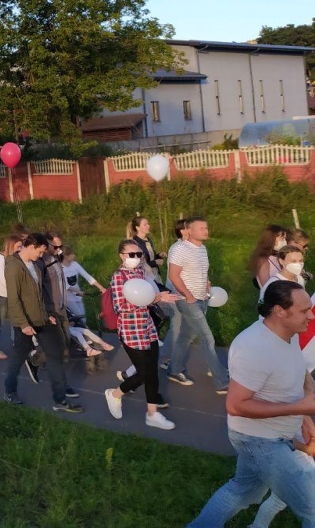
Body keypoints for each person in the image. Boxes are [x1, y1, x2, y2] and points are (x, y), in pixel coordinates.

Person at [187, 281, 315, 527]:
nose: (310, 315)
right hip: (261, 441)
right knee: (312, 508)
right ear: (279, 311)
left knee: (243, 491)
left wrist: (305, 416)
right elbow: (235, 405)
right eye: (304, 310)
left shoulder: (290, 333)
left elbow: (298, 372)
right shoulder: (254, 348)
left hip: (277, 434)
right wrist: (301, 408)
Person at [103, 239, 182, 430]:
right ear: (122, 256)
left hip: (147, 327)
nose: (136, 258)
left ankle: (152, 414)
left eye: (139, 254)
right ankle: (114, 394)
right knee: (144, 373)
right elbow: (120, 306)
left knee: (152, 371)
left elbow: (146, 296)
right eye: (132, 254)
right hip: (131, 331)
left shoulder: (140, 273)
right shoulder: (118, 277)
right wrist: (156, 298)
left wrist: (161, 296)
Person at [3, 233, 83, 413]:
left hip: (43, 319)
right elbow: (13, 300)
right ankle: (9, 391)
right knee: (18, 358)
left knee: (55, 355)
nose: (41, 256)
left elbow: (38, 295)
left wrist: (48, 313)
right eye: (40, 252)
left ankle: (60, 400)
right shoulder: (13, 266)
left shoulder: (37, 265)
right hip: (24, 323)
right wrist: (23, 324)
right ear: (31, 247)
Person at [165, 216, 230, 392]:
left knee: (186, 337)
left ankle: (174, 369)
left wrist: (207, 285)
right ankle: (221, 381)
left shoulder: (202, 249)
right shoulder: (180, 249)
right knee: (207, 338)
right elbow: (173, 275)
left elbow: (202, 270)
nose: (205, 230)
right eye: (201, 228)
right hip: (188, 301)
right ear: (189, 231)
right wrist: (188, 295)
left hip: (202, 298)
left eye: (206, 227)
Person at [0, 232, 27, 360]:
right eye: (18, 246)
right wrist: (17, 289)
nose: (21, 249)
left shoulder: (18, 258)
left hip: (14, 294)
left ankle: (18, 345)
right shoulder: (0, 258)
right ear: (11, 246)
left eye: (21, 246)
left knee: (17, 320)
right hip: (1, 295)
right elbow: (2, 279)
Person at [251, 224, 289, 293]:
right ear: (271, 239)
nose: (285, 242)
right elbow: (266, 286)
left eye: (285, 239)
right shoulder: (263, 260)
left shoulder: (279, 257)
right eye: (282, 238)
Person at [127, 216, 166, 281]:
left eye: (148, 224)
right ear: (137, 228)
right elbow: (137, 264)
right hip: (144, 276)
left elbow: (149, 258)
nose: (148, 226)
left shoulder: (148, 240)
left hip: (155, 273)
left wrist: (159, 255)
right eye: (145, 225)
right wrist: (155, 263)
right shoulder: (135, 243)